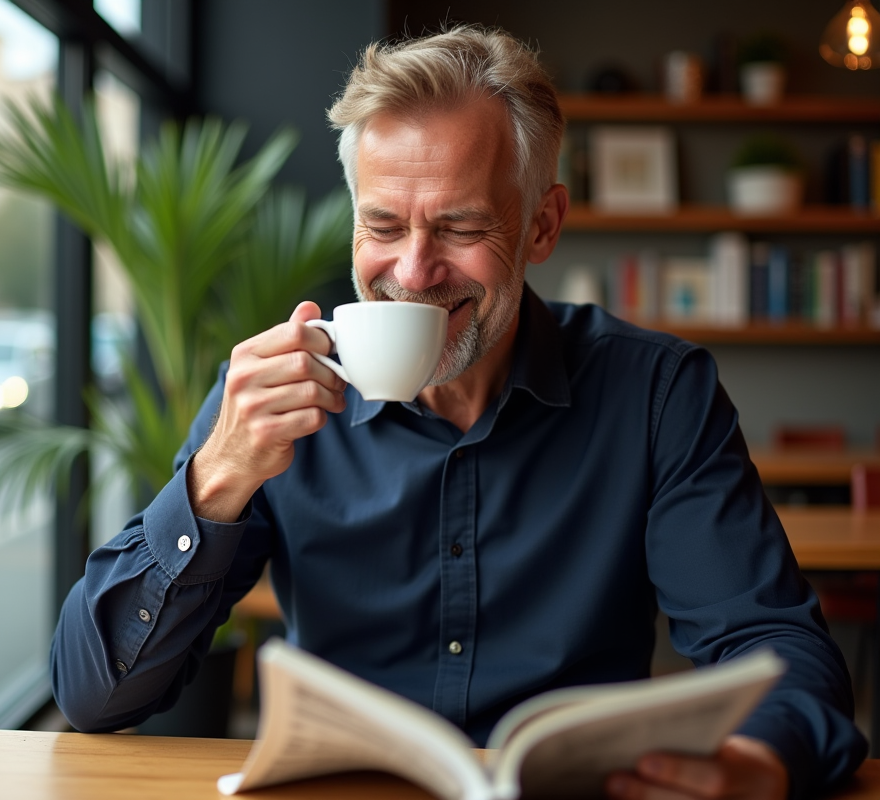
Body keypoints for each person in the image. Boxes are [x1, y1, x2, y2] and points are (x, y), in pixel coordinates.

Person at [50, 26, 866, 799]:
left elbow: (773, 643)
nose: (413, 270)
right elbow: (95, 696)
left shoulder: (656, 394)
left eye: (460, 225)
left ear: (542, 224)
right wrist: (217, 476)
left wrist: (759, 762)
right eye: (383, 225)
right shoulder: (270, 392)